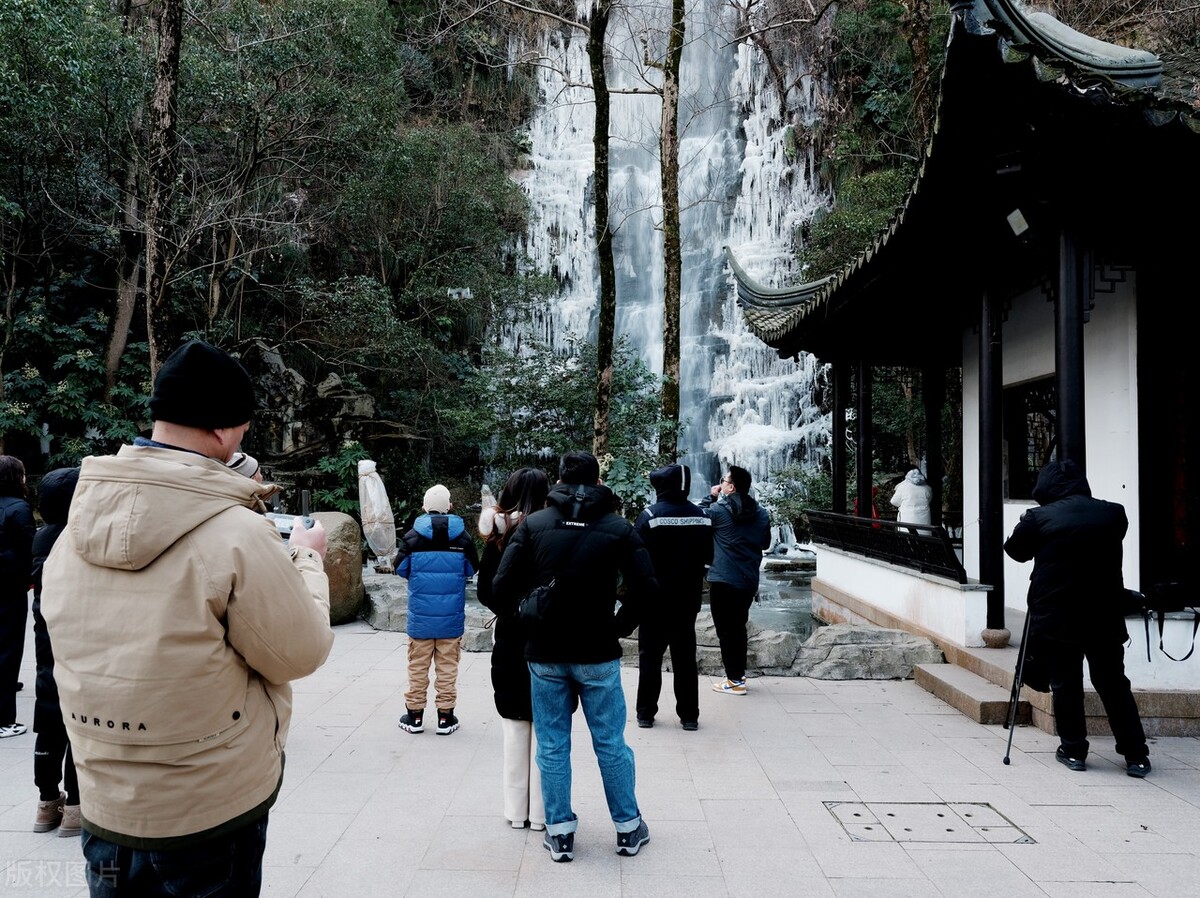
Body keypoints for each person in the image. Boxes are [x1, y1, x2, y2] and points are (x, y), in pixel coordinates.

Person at [42, 339, 334, 897]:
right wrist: (309, 559)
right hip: (207, 811)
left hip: (107, 803)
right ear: (224, 431)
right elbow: (300, 653)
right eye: (243, 430)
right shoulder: (235, 534)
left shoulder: (77, 525)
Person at [492, 451, 657, 863]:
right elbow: (648, 589)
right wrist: (619, 626)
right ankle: (627, 828)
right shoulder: (618, 527)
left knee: (551, 744)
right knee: (611, 743)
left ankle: (561, 833)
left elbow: (499, 587)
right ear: (598, 482)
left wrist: (527, 617)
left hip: (544, 652)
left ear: (559, 482)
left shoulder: (533, 525)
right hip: (598, 652)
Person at [1003, 459, 1150, 778]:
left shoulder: (1038, 518)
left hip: (1058, 613)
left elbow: (1015, 551)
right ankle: (1136, 755)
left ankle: (1073, 751)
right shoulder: (1113, 513)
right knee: (1113, 683)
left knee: (1066, 682)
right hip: (1104, 612)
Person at [476, 468, 551, 830]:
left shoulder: (497, 535)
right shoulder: (555, 530)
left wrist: (509, 610)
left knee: (514, 727)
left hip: (510, 636)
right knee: (546, 731)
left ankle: (515, 811)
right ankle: (541, 814)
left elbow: (486, 591)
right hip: (547, 639)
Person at [395, 484, 479, 736]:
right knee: (447, 667)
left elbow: (400, 568)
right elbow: (471, 569)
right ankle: (445, 717)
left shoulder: (412, 537)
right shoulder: (462, 539)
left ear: (423, 507)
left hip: (420, 619)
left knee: (418, 666)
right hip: (451, 620)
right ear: (451, 507)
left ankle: (415, 717)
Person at [633, 463, 712, 730]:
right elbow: (709, 558)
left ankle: (645, 713)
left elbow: (635, 558)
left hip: (654, 600)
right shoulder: (702, 517)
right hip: (687, 599)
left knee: (650, 657)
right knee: (685, 658)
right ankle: (689, 716)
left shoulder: (649, 517)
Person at [31, 467, 81, 836]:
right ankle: (77, 806)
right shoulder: (81, 537)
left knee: (49, 719)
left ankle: (47, 803)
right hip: (79, 640)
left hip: (45, 638)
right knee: (79, 721)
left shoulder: (41, 537)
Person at [702, 465, 771, 696]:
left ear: (730, 487)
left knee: (725, 631)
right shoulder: (761, 513)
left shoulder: (719, 510)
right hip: (748, 581)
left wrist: (711, 496)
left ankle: (734, 681)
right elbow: (765, 543)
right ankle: (737, 676)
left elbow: (697, 519)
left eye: (723, 480)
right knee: (738, 629)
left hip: (723, 580)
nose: (721, 483)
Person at [0, 455, 35, 738]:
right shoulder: (19, 508)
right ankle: (4, 720)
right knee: (8, 651)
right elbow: (28, 551)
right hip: (9, 590)